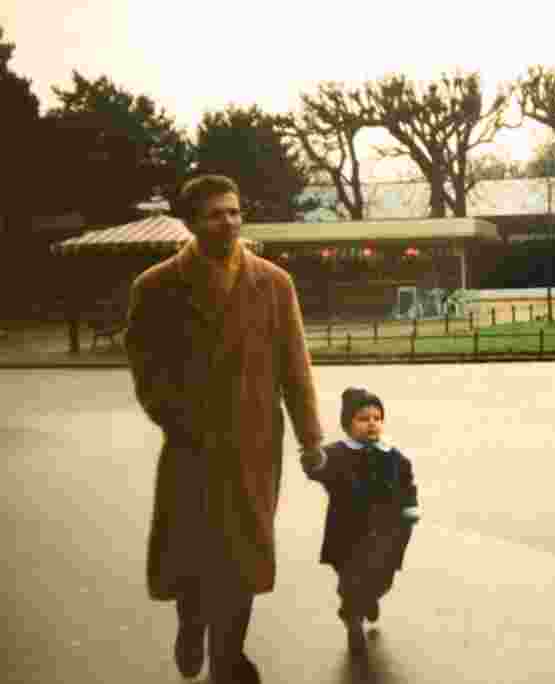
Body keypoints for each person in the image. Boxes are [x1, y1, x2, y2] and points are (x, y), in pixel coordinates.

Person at [124, 174, 327, 684]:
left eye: (235, 212)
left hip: (256, 444)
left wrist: (311, 437)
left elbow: (295, 367)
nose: (229, 222)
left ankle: (228, 656)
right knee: (192, 551)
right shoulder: (156, 287)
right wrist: (178, 420)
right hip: (192, 445)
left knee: (245, 555)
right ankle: (191, 626)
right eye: (216, 214)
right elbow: (147, 372)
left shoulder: (275, 283)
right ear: (191, 222)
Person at [303, 387, 418, 657]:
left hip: (385, 533)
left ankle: (371, 597)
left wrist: (410, 506)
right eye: (363, 418)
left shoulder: (392, 455)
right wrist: (312, 462)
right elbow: (318, 468)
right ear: (348, 424)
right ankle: (352, 619)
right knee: (352, 580)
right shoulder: (337, 454)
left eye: (377, 418)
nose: (372, 423)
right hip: (348, 534)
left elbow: (406, 482)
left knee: (383, 578)